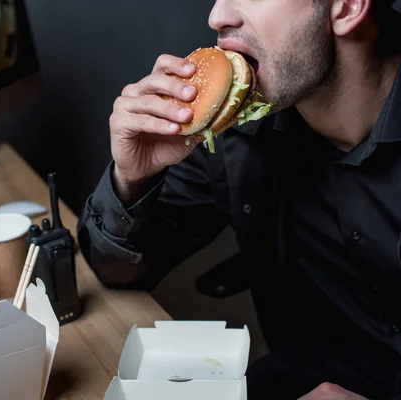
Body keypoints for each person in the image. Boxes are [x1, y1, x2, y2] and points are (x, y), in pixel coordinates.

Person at [76, 0, 401, 398]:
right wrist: (133, 177)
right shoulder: (234, 127)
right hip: (298, 378)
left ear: (347, 7)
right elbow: (116, 271)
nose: (217, 16)